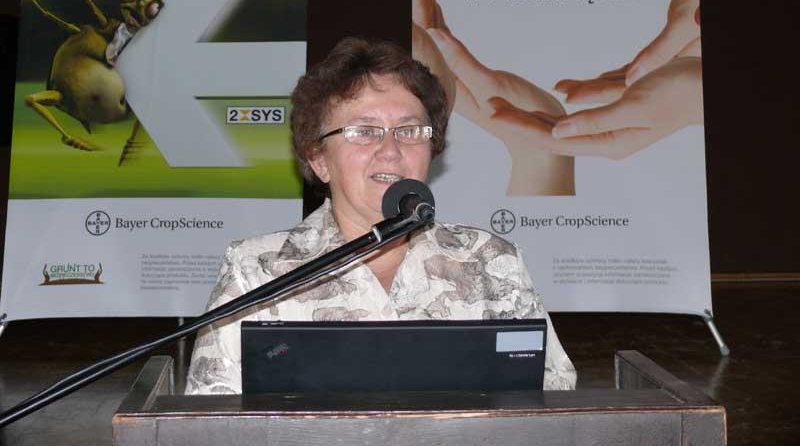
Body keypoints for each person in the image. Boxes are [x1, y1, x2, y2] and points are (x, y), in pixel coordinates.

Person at [185, 37, 576, 394]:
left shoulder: (491, 261)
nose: (391, 151)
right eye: (364, 131)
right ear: (319, 159)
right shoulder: (255, 273)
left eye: (410, 131)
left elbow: (554, 400)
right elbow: (209, 422)